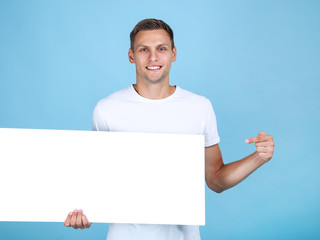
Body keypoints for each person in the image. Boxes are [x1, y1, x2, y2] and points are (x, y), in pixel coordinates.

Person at [64, 18, 275, 239]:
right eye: (144, 49)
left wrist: (258, 158)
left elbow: (215, 180)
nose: (153, 57)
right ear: (131, 55)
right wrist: (83, 212)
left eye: (161, 49)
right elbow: (97, 180)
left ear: (173, 54)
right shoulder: (106, 110)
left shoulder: (199, 108)